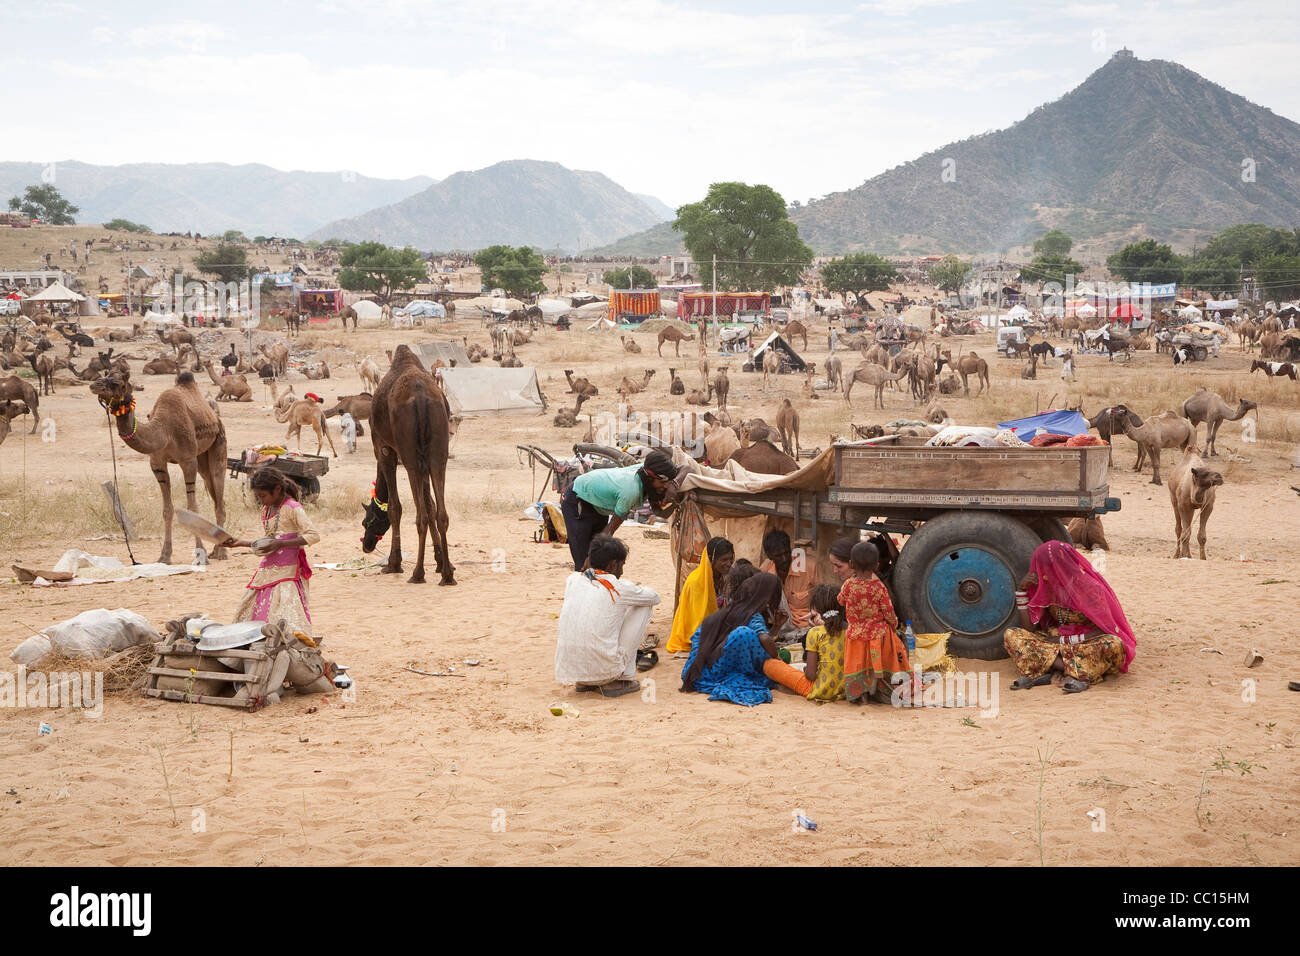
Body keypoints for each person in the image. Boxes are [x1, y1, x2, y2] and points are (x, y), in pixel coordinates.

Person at [1003, 540, 1134, 693]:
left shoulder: (1090, 588)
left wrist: (1067, 640)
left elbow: (1106, 629)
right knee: (1012, 635)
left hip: (1086, 642)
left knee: (1114, 645)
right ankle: (1072, 670)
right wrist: (1021, 591)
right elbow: (1028, 628)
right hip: (1057, 641)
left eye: (1045, 567)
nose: (1041, 572)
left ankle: (1051, 668)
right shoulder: (1048, 588)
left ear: (1060, 565)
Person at [554, 534, 660, 698]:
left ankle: (585, 682)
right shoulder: (619, 587)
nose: (622, 571)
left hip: (572, 672)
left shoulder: (573, 579)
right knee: (644, 606)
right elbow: (654, 597)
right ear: (613, 564)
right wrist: (631, 587)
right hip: (605, 673)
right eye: (621, 565)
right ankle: (622, 679)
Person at [226, 467, 319, 638]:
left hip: (288, 570)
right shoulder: (266, 511)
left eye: (263, 496)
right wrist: (241, 543)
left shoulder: (292, 507)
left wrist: (282, 543)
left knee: (284, 614)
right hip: (267, 569)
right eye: (258, 496)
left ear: (277, 490)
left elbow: (313, 535)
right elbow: (269, 540)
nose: (261, 501)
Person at [559, 449, 678, 571]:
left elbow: (686, 469)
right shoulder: (631, 491)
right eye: (663, 482)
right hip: (577, 500)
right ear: (650, 478)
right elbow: (610, 529)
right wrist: (590, 558)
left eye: (669, 482)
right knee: (584, 561)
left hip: (598, 506)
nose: (666, 486)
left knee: (600, 562)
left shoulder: (646, 469)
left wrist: (675, 484)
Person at [680, 573, 785, 706]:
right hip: (719, 672)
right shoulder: (753, 615)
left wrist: (776, 627)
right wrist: (777, 657)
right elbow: (764, 638)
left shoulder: (730, 609)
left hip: (699, 670)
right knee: (745, 635)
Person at [839, 541, 910, 704]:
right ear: (877, 565)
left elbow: (840, 600)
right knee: (875, 664)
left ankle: (861, 695)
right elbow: (888, 611)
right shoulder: (879, 587)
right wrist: (894, 625)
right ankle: (879, 690)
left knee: (858, 665)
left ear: (851, 564)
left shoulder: (849, 584)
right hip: (878, 635)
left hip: (855, 634)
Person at [763, 583, 848, 702]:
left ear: (818, 610)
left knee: (769, 665)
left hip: (820, 690)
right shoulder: (850, 631)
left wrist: (806, 669)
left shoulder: (815, 632)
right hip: (846, 690)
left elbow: (811, 675)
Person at [666, 537, 734, 654]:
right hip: (700, 632)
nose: (728, 563)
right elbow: (696, 622)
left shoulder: (727, 576)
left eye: (730, 558)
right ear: (711, 560)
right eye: (724, 560)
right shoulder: (696, 583)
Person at [759, 529, 814, 639]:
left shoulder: (810, 566)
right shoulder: (765, 571)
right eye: (779, 555)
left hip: (807, 628)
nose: (784, 559)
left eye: (786, 553)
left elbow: (824, 600)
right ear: (770, 556)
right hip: (779, 629)